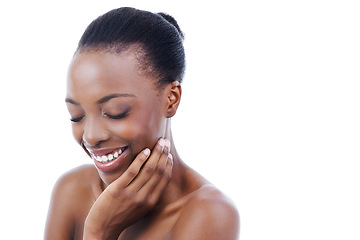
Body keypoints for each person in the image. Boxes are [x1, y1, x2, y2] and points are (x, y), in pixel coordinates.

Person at [44, 7, 239, 240]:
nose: (91, 136)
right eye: (76, 115)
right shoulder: (71, 191)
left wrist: (100, 231)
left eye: (115, 112)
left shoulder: (209, 213)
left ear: (171, 98)